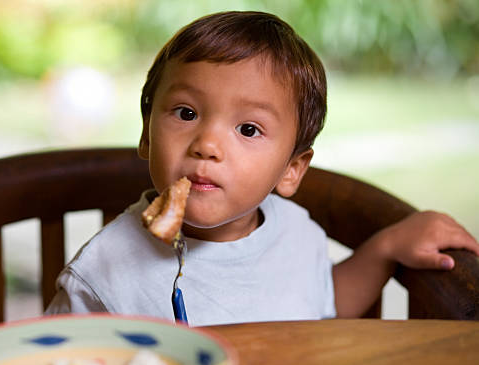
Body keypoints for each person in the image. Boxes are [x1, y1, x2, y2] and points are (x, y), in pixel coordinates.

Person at [46, 11, 479, 324]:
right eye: (185, 113)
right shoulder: (101, 272)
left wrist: (384, 249)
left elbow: (319, 304)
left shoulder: (296, 231)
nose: (208, 144)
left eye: (248, 129)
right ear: (146, 135)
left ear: (291, 169)